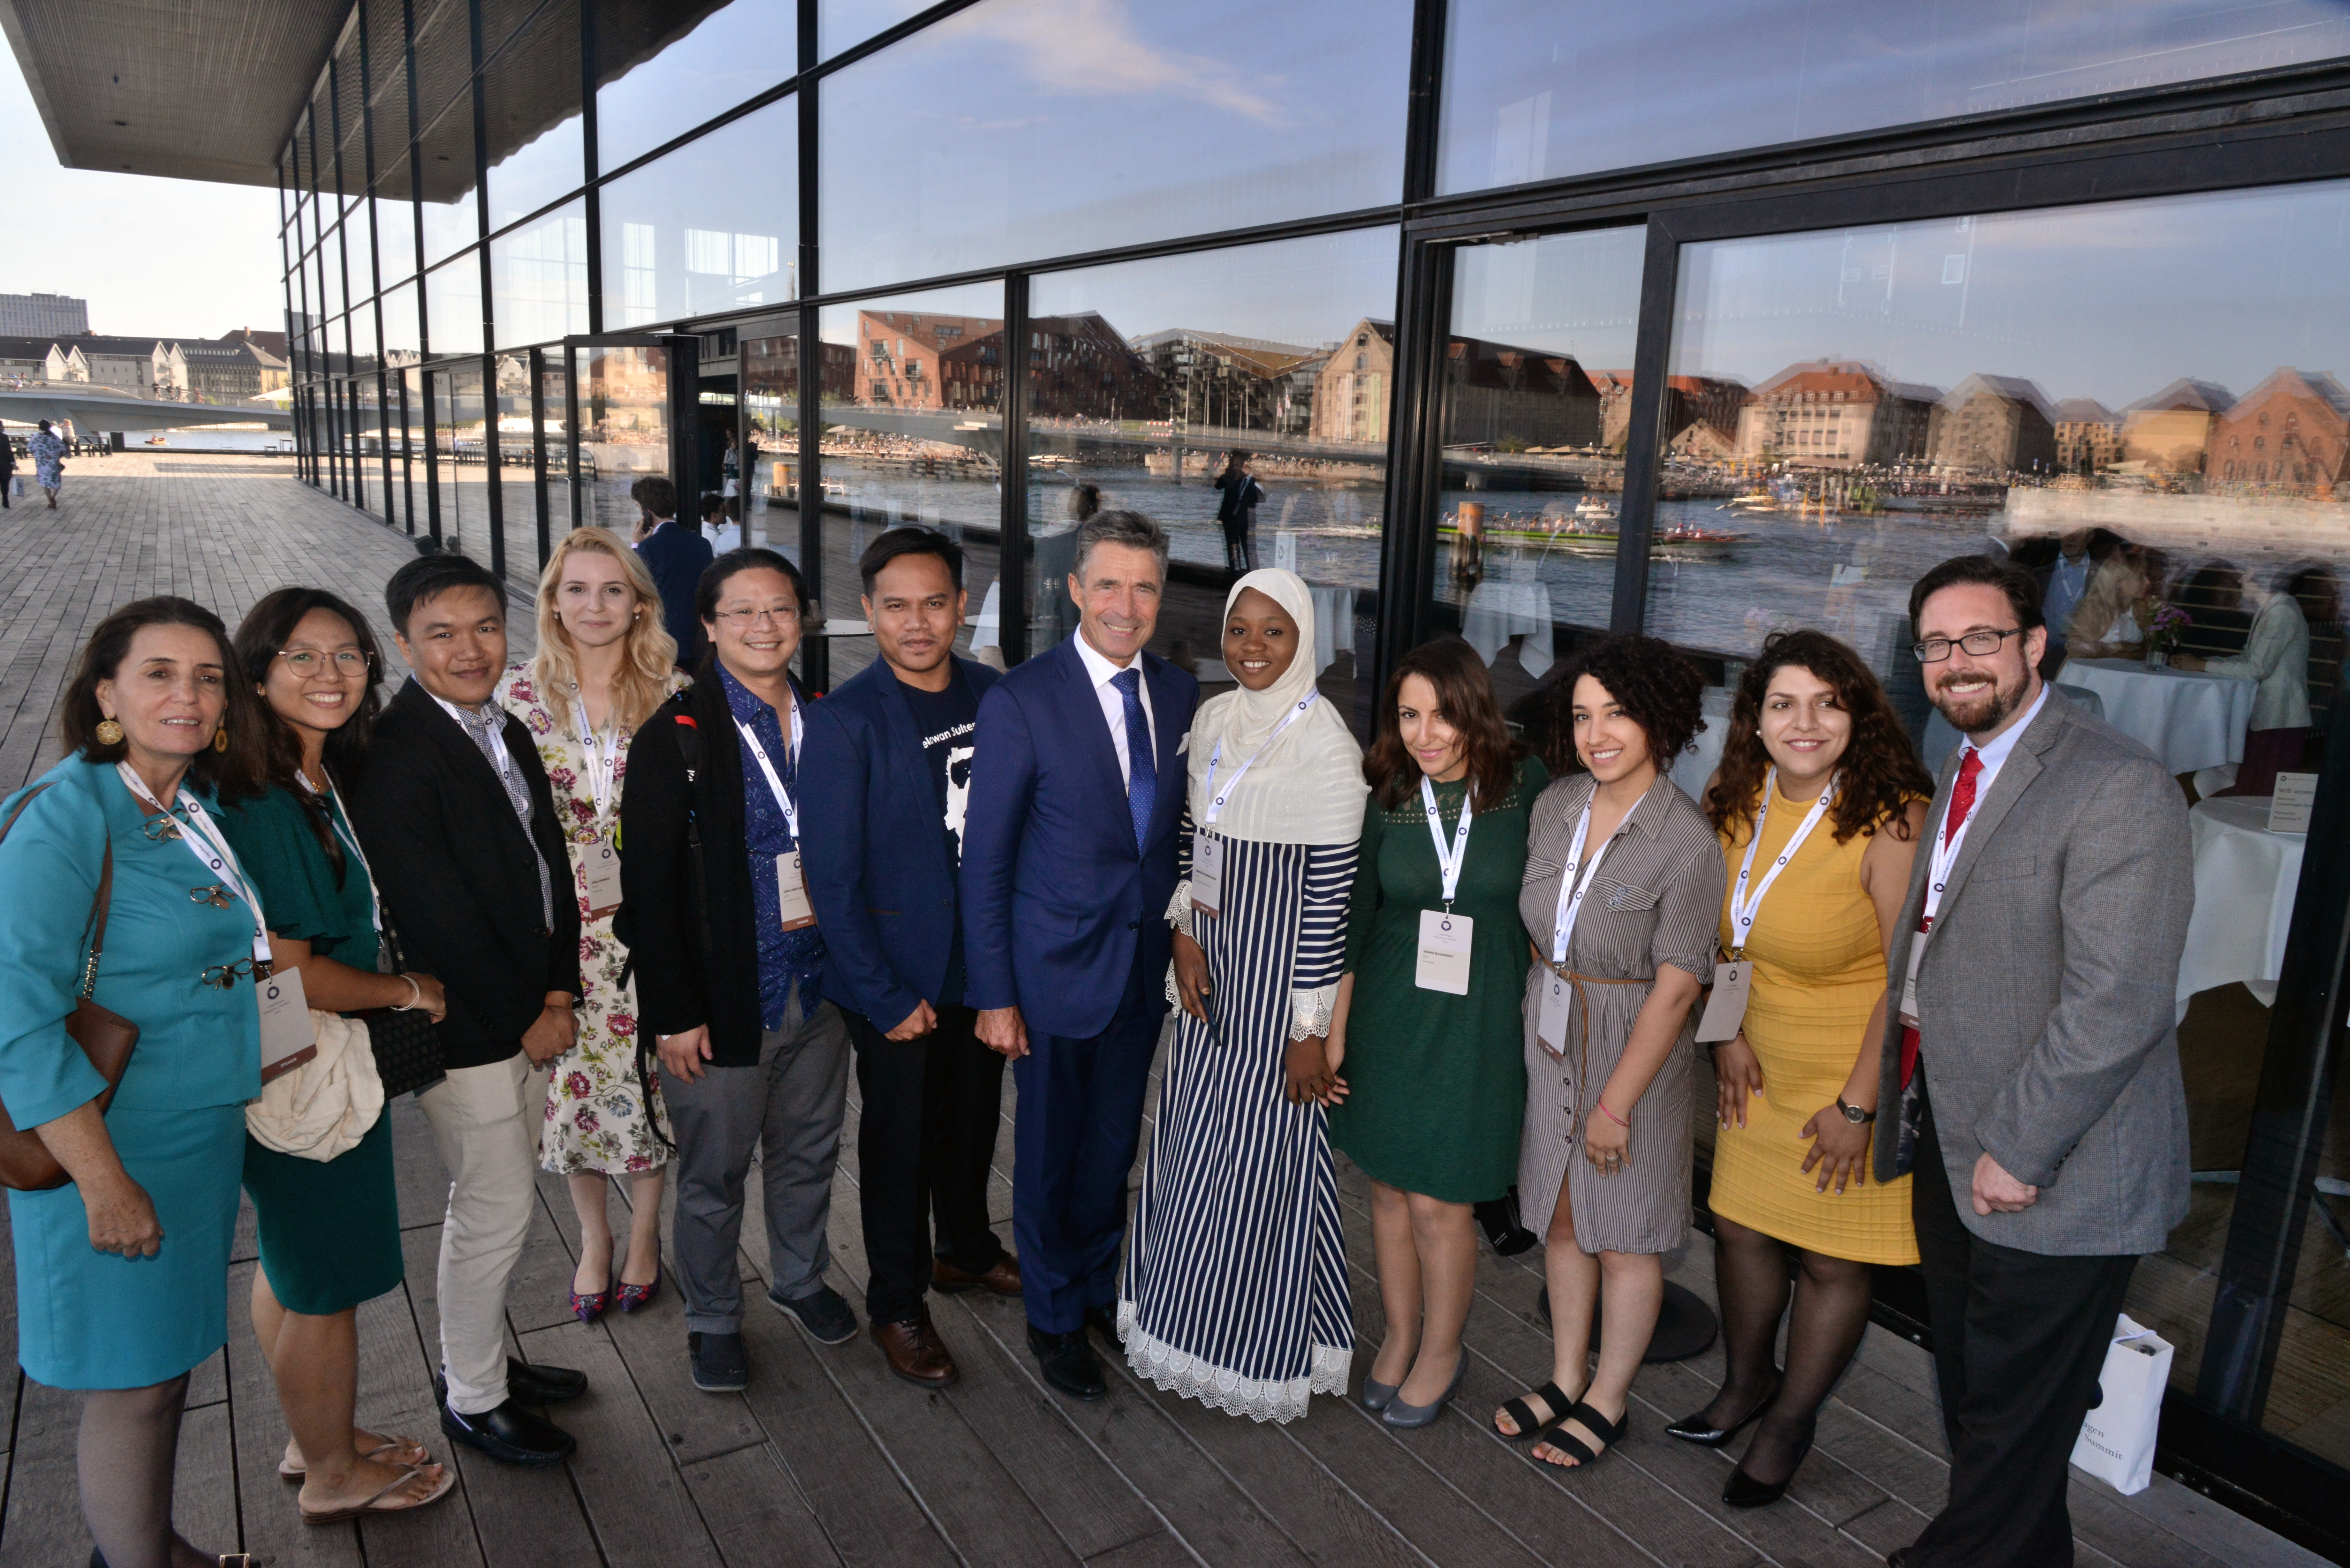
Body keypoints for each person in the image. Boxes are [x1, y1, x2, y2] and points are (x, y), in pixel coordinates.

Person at [1878, 555, 2192, 1568]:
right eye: (1935, 643)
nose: (1955, 660)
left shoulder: (2113, 782)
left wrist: (2016, 1146)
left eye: (1978, 637)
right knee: (1979, 1395)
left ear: (2031, 644)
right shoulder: (1960, 759)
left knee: (2010, 1418)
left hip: (2047, 1163)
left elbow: (2117, 1000)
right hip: (1952, 1131)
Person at [0, 597, 267, 1568]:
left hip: (192, 1135)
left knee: (163, 1365)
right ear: (106, 690)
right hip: (107, 1145)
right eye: (160, 672)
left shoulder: (183, 801)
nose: (187, 694)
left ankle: (150, 1542)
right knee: (128, 1380)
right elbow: (16, 1021)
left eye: (207, 676)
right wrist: (103, 1181)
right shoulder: (63, 817)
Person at [1672, 629, 1933, 1506]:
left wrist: (1860, 1107)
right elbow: (1720, 935)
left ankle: (1790, 1419)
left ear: (1857, 712)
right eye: (1784, 704)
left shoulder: (1893, 813)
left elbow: (1908, 980)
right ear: (1757, 720)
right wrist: (1725, 1035)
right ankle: (1747, 1384)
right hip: (1760, 1058)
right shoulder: (1738, 795)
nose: (1806, 722)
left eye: (1828, 701)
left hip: (1855, 1067)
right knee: (1742, 1230)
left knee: (1829, 1261)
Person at [221, 588, 457, 1525]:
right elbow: (291, 964)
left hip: (291, 1059)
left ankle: (313, 1434)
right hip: (306, 1058)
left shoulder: (306, 774)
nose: (331, 674)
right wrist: (408, 991)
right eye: (302, 656)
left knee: (292, 1261)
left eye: (348, 654)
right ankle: (331, 1473)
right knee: (323, 1283)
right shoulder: (265, 797)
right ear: (259, 671)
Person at [350, 552, 589, 1467]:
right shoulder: (397, 757)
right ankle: (474, 1396)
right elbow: (435, 915)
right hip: (476, 1028)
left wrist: (561, 986)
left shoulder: (500, 724)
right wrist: (529, 1010)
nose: (470, 647)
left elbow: (548, 868)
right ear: (403, 645)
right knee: (491, 1211)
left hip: (530, 1008)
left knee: (500, 1201)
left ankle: (480, 1360)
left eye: (486, 626)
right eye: (442, 634)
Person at [961, 510, 1200, 1401]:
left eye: (1143, 586)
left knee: (1111, 1150)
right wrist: (994, 993)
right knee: (1052, 1153)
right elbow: (985, 862)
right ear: (1074, 589)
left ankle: (1098, 1288)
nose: (1126, 605)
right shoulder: (1020, 698)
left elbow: (1174, 836)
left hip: (1142, 970)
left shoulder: (1178, 695)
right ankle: (1054, 1316)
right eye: (1108, 583)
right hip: (1052, 973)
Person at [1123, 568, 1366, 1421]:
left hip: (1278, 992)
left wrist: (1310, 1031)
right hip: (1208, 970)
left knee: (1268, 1164)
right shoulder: (1215, 719)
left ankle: (1258, 1344)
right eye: (1239, 630)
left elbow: (1330, 905)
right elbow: (1194, 842)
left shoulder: (1329, 746)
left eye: (1274, 632)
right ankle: (1181, 1321)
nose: (1252, 648)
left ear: (1305, 640)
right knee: (1192, 1146)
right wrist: (1184, 934)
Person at [618, 547, 856, 1395]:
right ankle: (714, 1315)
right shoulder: (676, 737)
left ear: (803, 621)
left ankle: (797, 1279)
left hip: (820, 992)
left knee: (809, 1153)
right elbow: (646, 887)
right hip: (722, 1003)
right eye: (744, 612)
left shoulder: (831, 722)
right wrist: (675, 1014)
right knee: (715, 1174)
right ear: (710, 627)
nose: (766, 626)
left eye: (782, 609)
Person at [1488, 636, 1718, 1469]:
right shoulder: (1557, 805)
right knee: (1559, 1214)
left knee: (1623, 1237)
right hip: (1552, 1026)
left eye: (1616, 713)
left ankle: (1609, 1399)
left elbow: (1678, 987)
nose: (1597, 732)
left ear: (1660, 719)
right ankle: (1562, 1377)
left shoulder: (1688, 841)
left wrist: (1618, 1102)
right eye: (1583, 716)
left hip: (1633, 1049)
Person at [801, 526, 1018, 1390]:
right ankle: (897, 1299)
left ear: (962, 607)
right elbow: (831, 877)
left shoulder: (998, 697)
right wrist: (884, 995)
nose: (918, 622)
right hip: (894, 978)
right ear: (869, 612)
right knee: (899, 1148)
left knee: (972, 1125)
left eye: (935, 603)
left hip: (984, 969)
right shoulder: (845, 721)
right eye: (897, 606)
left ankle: (964, 1250)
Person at [1326, 638, 1546, 1429]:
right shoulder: (1386, 789)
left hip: (1478, 1021)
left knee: (1441, 1201)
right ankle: (1402, 1333)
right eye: (1409, 714)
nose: (1425, 732)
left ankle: (1444, 1350)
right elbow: (1355, 919)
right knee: (1387, 1187)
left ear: (1473, 709)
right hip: (1390, 1012)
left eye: (1442, 713)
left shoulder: (1525, 786)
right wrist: (1335, 1031)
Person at [494, 530, 686, 1324]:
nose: (595, 606)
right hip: (560, 924)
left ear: (639, 602)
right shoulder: (515, 697)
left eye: (613, 590)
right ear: (553, 602)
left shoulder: (675, 692)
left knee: (649, 1087)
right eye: (577, 589)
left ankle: (645, 1233)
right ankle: (593, 1237)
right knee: (572, 1090)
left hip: (653, 918)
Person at [2173, 567, 2313, 796]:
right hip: (2268, 716)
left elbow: (2257, 669)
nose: (2241, 580)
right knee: (2253, 789)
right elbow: (2249, 659)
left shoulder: (2282, 612)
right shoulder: (2272, 609)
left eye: (2247, 575)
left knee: (2263, 793)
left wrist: (2202, 666)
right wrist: (2200, 662)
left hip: (2279, 718)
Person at [632, 474, 713, 668]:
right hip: (699, 641)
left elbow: (632, 588)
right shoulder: (703, 544)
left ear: (647, 512)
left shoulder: (648, 548)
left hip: (662, 643)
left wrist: (636, 545)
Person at [2061, 548, 2150, 660]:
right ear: (2118, 582)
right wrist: (2121, 649)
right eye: (2141, 577)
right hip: (2089, 675)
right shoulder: (2091, 608)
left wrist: (2119, 650)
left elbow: (2150, 651)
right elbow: (2075, 649)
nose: (2148, 582)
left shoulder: (2143, 609)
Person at [1213, 451, 1265, 574]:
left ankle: (1250, 577)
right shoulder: (1229, 478)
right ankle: (1235, 578)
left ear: (1242, 465)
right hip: (1229, 519)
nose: (1235, 468)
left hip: (1243, 520)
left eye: (1237, 465)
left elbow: (1256, 500)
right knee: (1232, 550)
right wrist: (1228, 473)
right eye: (1233, 465)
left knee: (1247, 550)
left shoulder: (1249, 482)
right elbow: (1217, 486)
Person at [30, 417, 66, 509]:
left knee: (45, 483)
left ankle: (50, 499)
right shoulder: (54, 438)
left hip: (42, 464)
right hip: (54, 463)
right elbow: (63, 448)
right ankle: (53, 498)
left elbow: (31, 448)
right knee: (56, 481)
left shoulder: (36, 437)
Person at [0, 426, 16, 508]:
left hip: (4, 464)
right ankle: (5, 501)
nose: (3, 428)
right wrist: (13, 462)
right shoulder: (4, 437)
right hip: (4, 464)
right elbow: (8, 451)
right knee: (5, 483)